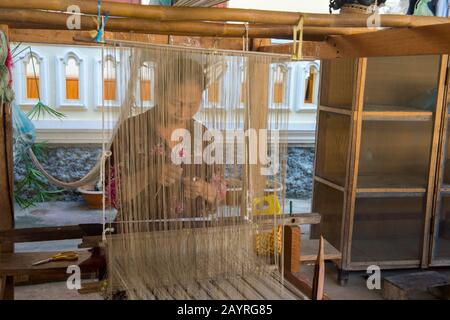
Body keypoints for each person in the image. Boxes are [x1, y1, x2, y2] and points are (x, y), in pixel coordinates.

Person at [107, 56, 227, 226]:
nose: (183, 111)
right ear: (159, 92)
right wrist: (150, 174)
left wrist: (203, 189)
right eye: (175, 102)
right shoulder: (131, 131)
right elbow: (112, 194)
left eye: (192, 104)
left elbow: (220, 193)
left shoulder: (203, 136)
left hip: (190, 236)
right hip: (137, 237)